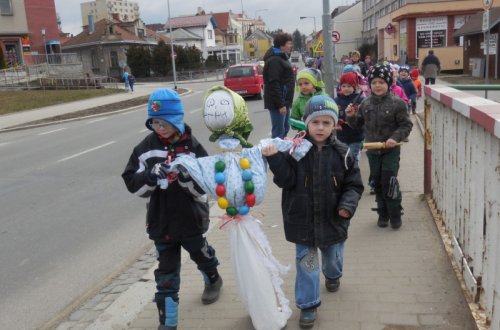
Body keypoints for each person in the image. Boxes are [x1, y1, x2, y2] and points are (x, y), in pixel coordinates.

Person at [121, 88, 222, 330]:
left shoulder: (192, 146)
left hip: (190, 218)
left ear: (177, 120)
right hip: (161, 222)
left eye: (164, 122)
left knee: (200, 253)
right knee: (166, 275)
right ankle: (168, 323)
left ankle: (213, 278)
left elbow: (206, 184)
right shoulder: (145, 148)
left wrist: (187, 176)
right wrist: (151, 176)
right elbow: (132, 183)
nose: (159, 127)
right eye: (154, 122)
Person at [262, 95, 364, 329]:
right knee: (306, 263)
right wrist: (275, 158)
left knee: (332, 258)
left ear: (335, 125)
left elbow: (354, 185)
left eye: (326, 123)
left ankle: (333, 275)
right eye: (315, 122)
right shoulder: (296, 150)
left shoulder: (344, 153)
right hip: (302, 221)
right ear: (306, 123)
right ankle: (308, 305)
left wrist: (347, 207)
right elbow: (286, 180)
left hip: (333, 218)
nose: (320, 128)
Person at [346, 64, 413, 230]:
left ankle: (395, 213)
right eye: (374, 82)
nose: (377, 85)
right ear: (370, 84)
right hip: (372, 150)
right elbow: (357, 125)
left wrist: (394, 138)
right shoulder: (365, 103)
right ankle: (382, 214)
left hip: (390, 150)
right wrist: (350, 117)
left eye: (381, 82)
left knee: (388, 181)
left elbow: (406, 126)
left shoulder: (398, 103)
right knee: (377, 183)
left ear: (389, 83)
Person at [263, 32, 295, 138]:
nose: (291, 46)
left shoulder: (282, 57)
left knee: (285, 129)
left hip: (284, 101)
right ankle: (275, 154)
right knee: (279, 132)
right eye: (289, 43)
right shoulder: (275, 60)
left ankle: (282, 153)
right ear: (281, 45)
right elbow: (273, 83)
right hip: (278, 103)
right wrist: (280, 104)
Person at [334, 72, 365, 162]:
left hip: (356, 135)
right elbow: (333, 114)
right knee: (342, 157)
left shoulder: (360, 100)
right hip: (341, 135)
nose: (346, 89)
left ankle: (354, 173)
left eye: (349, 86)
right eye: (343, 86)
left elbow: (363, 117)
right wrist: (336, 123)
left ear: (354, 86)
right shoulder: (336, 100)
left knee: (353, 158)